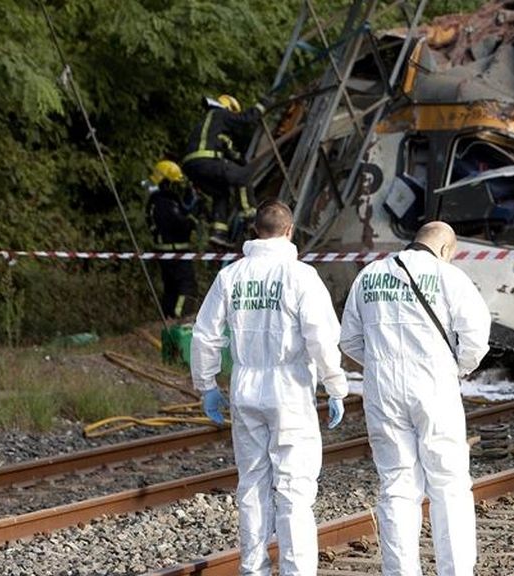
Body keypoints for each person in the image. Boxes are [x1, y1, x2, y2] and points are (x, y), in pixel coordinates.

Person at [191, 200, 348, 576]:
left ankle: (253, 569)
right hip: (290, 390)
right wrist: (335, 383)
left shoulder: (231, 276)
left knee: (252, 485)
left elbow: (205, 335)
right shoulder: (300, 276)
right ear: (290, 231)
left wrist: (207, 384)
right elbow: (321, 337)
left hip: (246, 388)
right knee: (294, 490)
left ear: (255, 231)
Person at [339, 221, 491, 576]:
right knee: (449, 484)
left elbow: (349, 340)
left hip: (383, 390)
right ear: (446, 250)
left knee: (396, 484)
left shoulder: (369, 276)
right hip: (434, 385)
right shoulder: (448, 276)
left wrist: (380, 362)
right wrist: (458, 368)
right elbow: (476, 336)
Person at [182, 94, 268, 248]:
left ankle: (218, 233)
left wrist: (240, 160)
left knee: (221, 193)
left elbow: (229, 151)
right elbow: (246, 119)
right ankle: (251, 219)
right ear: (228, 108)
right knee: (243, 176)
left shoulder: (210, 126)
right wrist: (261, 105)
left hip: (192, 167)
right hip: (206, 161)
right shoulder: (220, 114)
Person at [144, 160, 198, 319]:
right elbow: (179, 224)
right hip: (175, 252)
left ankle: (167, 317)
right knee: (187, 287)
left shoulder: (155, 201)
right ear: (166, 182)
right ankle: (180, 317)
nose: (177, 187)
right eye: (175, 183)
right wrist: (192, 219)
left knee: (171, 288)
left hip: (166, 252)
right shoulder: (164, 203)